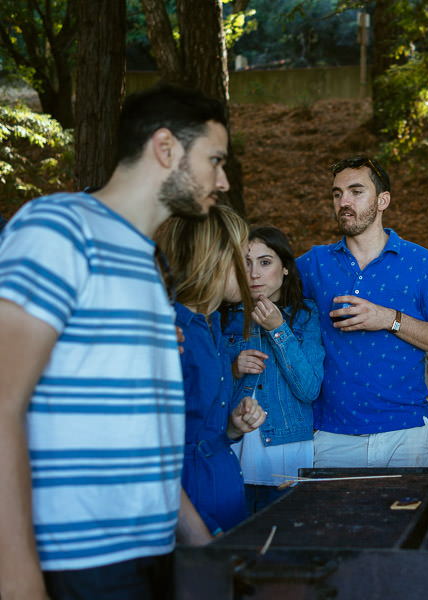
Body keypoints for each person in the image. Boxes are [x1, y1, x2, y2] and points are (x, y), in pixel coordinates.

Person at [0, 84, 227, 599]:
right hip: (76, 564)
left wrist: (202, 547)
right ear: (165, 148)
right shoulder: (59, 229)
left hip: (150, 559)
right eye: (215, 160)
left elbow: (144, 435)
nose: (223, 181)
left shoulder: (148, 264)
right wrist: (16, 580)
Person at [296, 156, 428, 468]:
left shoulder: (422, 263)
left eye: (356, 191)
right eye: (337, 193)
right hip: (332, 434)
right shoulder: (313, 264)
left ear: (382, 200)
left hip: (406, 432)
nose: (344, 202)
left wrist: (389, 319)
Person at [156, 205, 267, 537]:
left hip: (225, 502)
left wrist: (231, 429)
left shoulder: (213, 325)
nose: (251, 272)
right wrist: (202, 531)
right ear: (217, 257)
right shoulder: (172, 333)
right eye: (243, 258)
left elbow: (201, 428)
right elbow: (158, 453)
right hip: (192, 519)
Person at [223, 226, 324, 514]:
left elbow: (309, 389)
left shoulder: (305, 315)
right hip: (233, 448)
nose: (254, 273)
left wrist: (278, 329)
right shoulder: (223, 316)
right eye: (246, 263)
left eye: (265, 262)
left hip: (286, 452)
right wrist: (233, 369)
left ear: (286, 268)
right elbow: (206, 388)